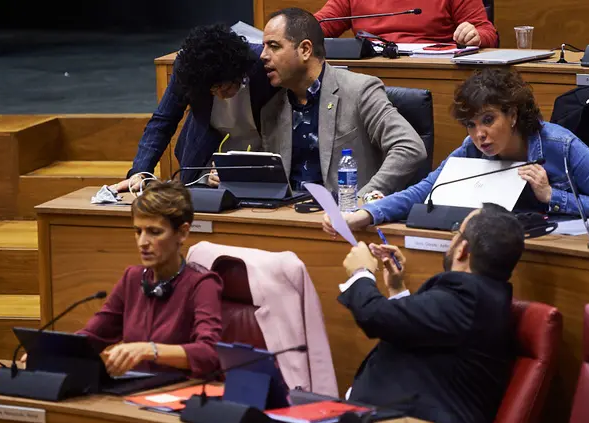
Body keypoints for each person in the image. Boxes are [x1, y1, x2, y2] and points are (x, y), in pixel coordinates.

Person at [323, 68, 589, 234]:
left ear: (512, 114)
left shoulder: (560, 146)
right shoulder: (471, 149)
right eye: (470, 124)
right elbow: (423, 191)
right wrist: (366, 213)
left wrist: (552, 196)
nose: (479, 134)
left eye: (488, 120)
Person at [339, 204, 521, 423]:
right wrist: (397, 289)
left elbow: (374, 316)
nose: (452, 238)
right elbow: (420, 333)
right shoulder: (479, 298)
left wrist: (361, 273)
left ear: (463, 249)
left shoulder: (468, 298)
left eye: (457, 232)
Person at [259, 8, 427, 196]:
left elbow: (410, 147)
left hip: (346, 218)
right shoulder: (272, 108)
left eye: (273, 46)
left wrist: (365, 200)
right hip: (289, 218)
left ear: (305, 50)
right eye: (264, 46)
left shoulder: (359, 91)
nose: (263, 55)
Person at [77, 181, 223, 377]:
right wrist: (51, 350)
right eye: (138, 231)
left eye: (155, 232)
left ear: (182, 232)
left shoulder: (202, 284)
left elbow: (210, 353)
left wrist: (149, 350)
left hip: (179, 397)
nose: (143, 242)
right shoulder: (132, 278)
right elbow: (93, 335)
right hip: (131, 393)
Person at [114, 24, 278, 192]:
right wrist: (140, 171)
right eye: (213, 90)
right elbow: (163, 121)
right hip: (205, 158)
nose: (221, 95)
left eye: (225, 86)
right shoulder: (189, 70)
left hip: (260, 153)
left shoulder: (263, 64)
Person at [315, 0, 498, 48]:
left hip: (434, 74)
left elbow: (488, 32)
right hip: (368, 77)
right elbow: (317, 25)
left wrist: (475, 36)